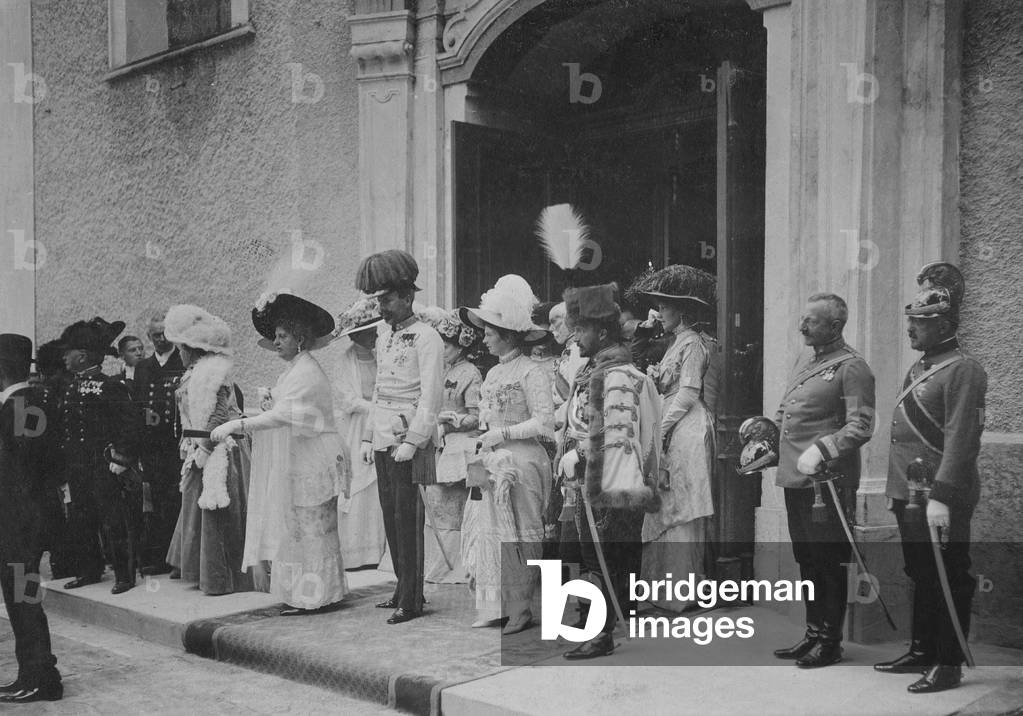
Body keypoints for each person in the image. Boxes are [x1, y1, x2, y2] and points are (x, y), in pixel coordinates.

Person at [874, 263, 986, 693]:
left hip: (941, 495)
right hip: (911, 492)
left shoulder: (964, 369)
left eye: (919, 323)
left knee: (948, 574)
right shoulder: (923, 367)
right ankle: (922, 649)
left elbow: (961, 439)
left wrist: (942, 494)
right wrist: (896, 491)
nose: (911, 330)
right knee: (920, 570)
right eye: (910, 322)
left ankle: (948, 661)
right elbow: (902, 437)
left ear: (943, 324)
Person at [212, 290, 348, 615]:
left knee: (312, 529)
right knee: (299, 529)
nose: (277, 342)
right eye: (275, 336)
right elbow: (279, 406)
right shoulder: (293, 370)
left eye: (283, 335)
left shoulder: (307, 373)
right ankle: (303, 594)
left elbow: (282, 415)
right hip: (300, 455)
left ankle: (317, 596)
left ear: (300, 338)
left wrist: (237, 426)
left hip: (314, 457)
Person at [770, 292, 876, 668]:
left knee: (828, 560)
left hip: (827, 483)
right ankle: (813, 632)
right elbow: (787, 411)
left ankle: (831, 641)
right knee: (807, 559)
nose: (802, 326)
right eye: (803, 319)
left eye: (810, 321)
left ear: (834, 326)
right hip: (796, 480)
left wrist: (825, 449)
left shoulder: (852, 368)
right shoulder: (806, 360)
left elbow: (861, 425)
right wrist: (765, 439)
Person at [555, 285, 661, 659]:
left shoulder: (616, 375)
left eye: (581, 330)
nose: (575, 337)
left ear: (601, 332)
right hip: (588, 482)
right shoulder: (596, 368)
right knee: (592, 556)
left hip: (608, 481)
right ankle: (596, 628)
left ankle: (601, 634)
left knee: (603, 557)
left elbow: (619, 436)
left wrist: (581, 458)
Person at [459, 274, 554, 634]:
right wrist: (486, 436)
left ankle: (521, 608)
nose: (484, 337)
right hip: (493, 459)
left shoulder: (533, 372)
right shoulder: (493, 373)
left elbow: (544, 422)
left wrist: (505, 433)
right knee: (489, 531)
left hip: (524, 462)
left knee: (520, 533)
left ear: (508, 333)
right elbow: (487, 414)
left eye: (489, 331)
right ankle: (493, 603)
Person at [356, 249, 444, 625]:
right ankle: (401, 585)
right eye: (378, 300)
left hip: (410, 437)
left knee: (409, 518)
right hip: (382, 436)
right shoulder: (383, 335)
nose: (382, 307)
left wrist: (414, 441)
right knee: (390, 517)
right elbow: (377, 389)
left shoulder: (427, 338)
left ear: (408, 297)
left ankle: (413, 596)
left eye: (388, 299)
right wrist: (366, 437)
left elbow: (431, 395)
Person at [636, 265, 718, 612]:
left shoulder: (694, 345)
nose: (659, 313)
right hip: (672, 424)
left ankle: (680, 592)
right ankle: (662, 589)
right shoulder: (674, 344)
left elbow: (688, 393)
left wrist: (663, 427)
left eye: (664, 307)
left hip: (687, 427)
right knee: (666, 501)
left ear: (682, 310)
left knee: (682, 505)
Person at [163, 305, 253, 596]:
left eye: (181, 349)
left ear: (192, 349)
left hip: (220, 447)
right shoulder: (195, 373)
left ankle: (222, 576)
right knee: (197, 507)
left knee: (218, 511)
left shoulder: (212, 374)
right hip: (202, 443)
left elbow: (216, 417)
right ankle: (204, 571)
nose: (179, 353)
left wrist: (202, 449)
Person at [55, 317, 141, 594]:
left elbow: (129, 425)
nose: (64, 358)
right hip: (77, 466)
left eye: (67, 353)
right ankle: (89, 570)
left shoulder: (109, 386)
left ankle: (124, 575)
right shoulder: (70, 387)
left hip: (103, 464)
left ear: (81, 356)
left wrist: (122, 459)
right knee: (81, 518)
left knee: (113, 519)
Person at [0, 334, 63, 703]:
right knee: (21, 599)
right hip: (22, 523)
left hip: (21, 525)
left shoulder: (22, 406)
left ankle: (42, 677)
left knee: (24, 600)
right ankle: (32, 672)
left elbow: (23, 473)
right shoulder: (26, 403)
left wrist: (16, 528)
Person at [421, 308, 482, 584]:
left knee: (452, 504)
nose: (442, 350)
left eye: (446, 346)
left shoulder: (470, 373)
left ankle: (456, 567)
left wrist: (453, 423)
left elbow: (476, 415)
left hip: (458, 444)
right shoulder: (439, 369)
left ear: (461, 347)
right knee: (436, 504)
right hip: (437, 439)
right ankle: (437, 565)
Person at [333, 296, 387, 569]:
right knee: (357, 482)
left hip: (380, 426)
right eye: (367, 332)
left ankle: (376, 551)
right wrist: (375, 407)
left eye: (374, 330)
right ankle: (355, 552)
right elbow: (346, 399)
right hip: (355, 429)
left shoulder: (382, 356)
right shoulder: (345, 360)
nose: (373, 335)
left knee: (378, 483)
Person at [134, 313, 186, 577]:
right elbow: (138, 407)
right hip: (152, 448)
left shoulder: (183, 361)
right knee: (155, 502)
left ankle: (179, 559)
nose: (161, 338)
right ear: (149, 337)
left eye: (166, 333)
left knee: (177, 499)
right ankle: (159, 556)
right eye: (156, 334)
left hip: (176, 444)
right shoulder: (143, 368)